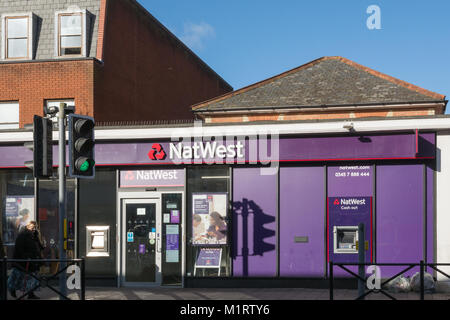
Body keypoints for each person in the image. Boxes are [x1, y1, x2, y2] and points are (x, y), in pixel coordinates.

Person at [7, 221, 42, 299]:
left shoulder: (34, 236)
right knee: (17, 277)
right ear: (27, 227)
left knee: (32, 278)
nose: (34, 229)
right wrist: (25, 257)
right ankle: (12, 289)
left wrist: (40, 242)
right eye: (32, 227)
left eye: (35, 227)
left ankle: (31, 294)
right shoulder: (22, 235)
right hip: (22, 261)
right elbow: (19, 248)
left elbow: (38, 247)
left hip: (32, 261)